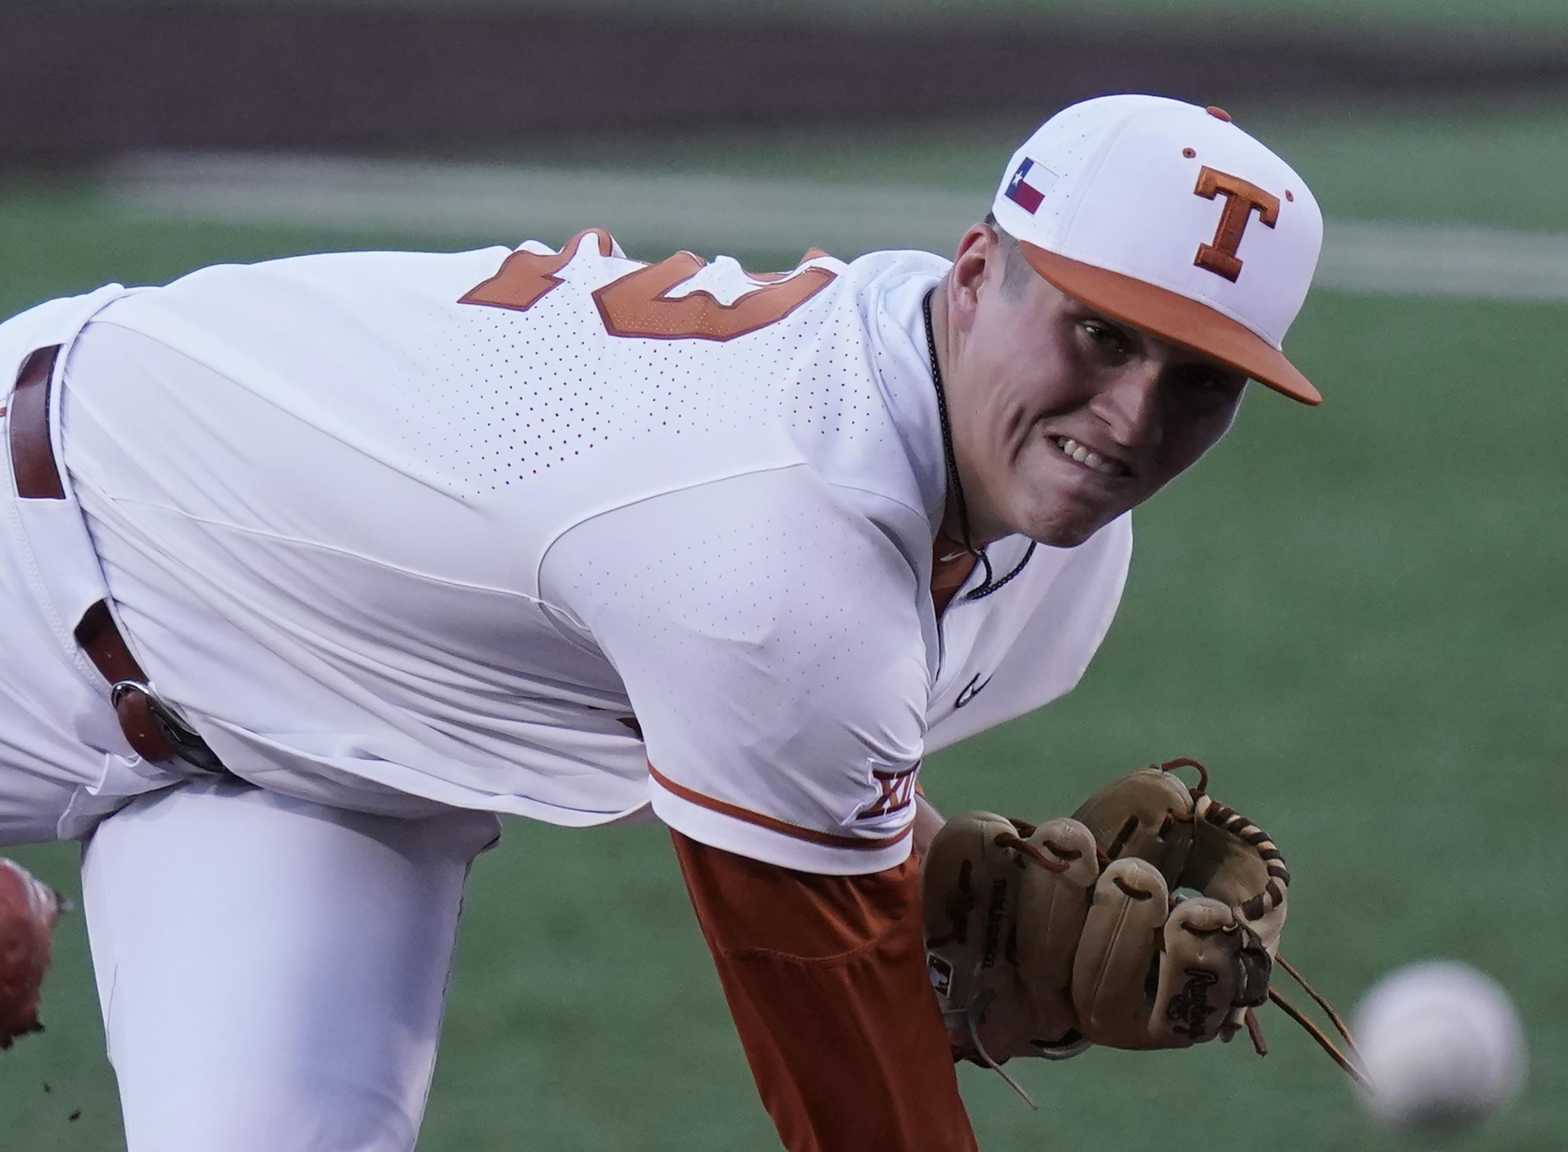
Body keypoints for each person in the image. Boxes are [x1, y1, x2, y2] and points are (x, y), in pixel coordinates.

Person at [0, 93, 1323, 1150]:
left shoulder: (1053, 550)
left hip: (331, 758)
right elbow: (852, 1096)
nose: (1133, 420)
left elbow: (776, 712)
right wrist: (883, 913)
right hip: (44, 539)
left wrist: (902, 869)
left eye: (1200, 383)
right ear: (979, 274)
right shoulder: (771, 521)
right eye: (1100, 335)